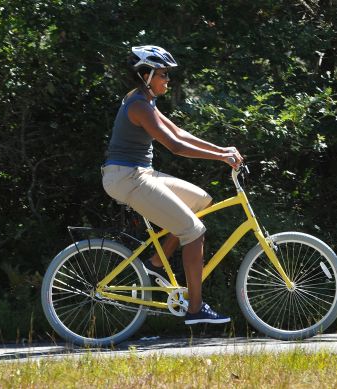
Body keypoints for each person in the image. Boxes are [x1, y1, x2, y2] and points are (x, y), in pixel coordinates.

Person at [101, 45, 242, 324]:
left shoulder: (146, 100)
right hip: (127, 177)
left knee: (202, 201)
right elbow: (175, 146)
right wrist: (221, 157)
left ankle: (155, 262)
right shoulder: (139, 104)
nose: (167, 79)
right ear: (146, 75)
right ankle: (195, 309)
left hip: (139, 173)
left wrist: (222, 149)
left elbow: (178, 131)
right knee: (194, 229)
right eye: (163, 74)